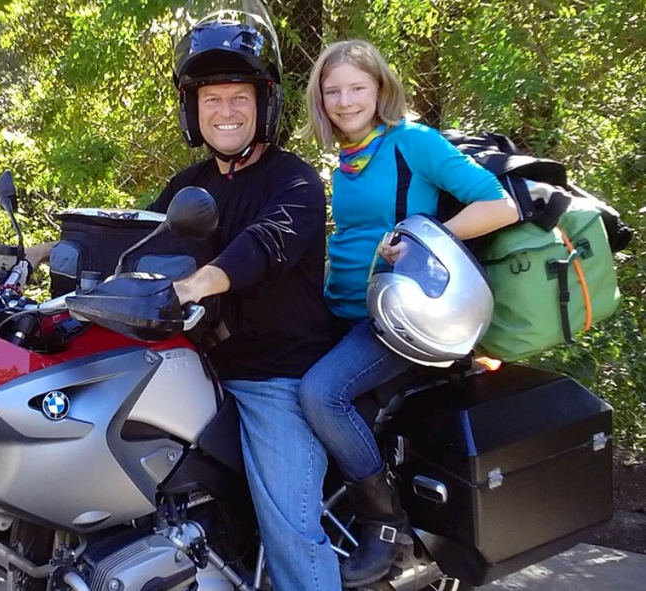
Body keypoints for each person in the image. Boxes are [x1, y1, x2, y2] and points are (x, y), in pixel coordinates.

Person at [297, 39, 520, 588]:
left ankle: (383, 524)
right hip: (345, 310)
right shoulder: (347, 160)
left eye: (357, 87)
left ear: (380, 88)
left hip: (401, 322)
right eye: (333, 91)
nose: (345, 101)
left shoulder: (413, 142)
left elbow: (499, 205)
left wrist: (425, 235)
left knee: (320, 394)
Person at [146, 2, 341, 590]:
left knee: (292, 533)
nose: (225, 111)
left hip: (270, 378)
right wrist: (42, 255)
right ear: (192, 109)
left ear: (265, 104)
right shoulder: (189, 185)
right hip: (190, 370)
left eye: (238, 97)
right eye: (211, 99)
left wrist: (196, 283)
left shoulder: (296, 180)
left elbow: (262, 245)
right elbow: (133, 234)